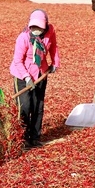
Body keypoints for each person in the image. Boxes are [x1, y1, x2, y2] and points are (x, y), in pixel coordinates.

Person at [9, 9, 60, 148]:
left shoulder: (50, 32)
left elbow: (53, 47)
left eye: (39, 27)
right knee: (25, 106)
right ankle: (22, 139)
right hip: (22, 75)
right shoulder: (23, 38)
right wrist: (26, 78)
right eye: (33, 27)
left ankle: (35, 138)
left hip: (40, 73)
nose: (36, 30)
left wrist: (55, 62)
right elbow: (18, 61)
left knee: (38, 106)